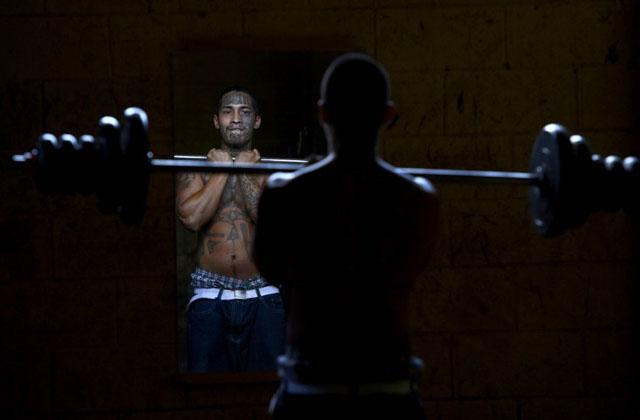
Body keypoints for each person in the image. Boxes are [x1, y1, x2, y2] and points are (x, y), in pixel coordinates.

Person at [253, 53, 439, 418]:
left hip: (310, 394)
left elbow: (271, 269)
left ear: (323, 113)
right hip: (389, 394)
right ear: (388, 115)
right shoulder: (419, 198)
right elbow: (408, 269)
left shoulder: (284, 193)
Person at [176, 87, 285, 373]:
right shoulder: (196, 169)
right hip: (210, 296)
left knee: (267, 390)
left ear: (257, 121)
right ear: (216, 121)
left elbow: (272, 226)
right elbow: (191, 219)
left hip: (265, 295)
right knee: (205, 392)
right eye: (228, 112)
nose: (236, 119)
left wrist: (245, 170)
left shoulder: (274, 172)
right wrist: (223, 169)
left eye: (245, 112)